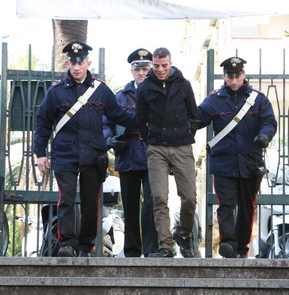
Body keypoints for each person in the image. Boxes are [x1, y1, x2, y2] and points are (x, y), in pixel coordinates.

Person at [33, 41, 136, 258]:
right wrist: (40, 153)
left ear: (88, 62)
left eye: (80, 62)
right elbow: (42, 122)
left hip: (93, 154)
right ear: (68, 63)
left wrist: (144, 120)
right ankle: (66, 245)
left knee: (91, 203)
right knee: (66, 199)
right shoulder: (56, 92)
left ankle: (85, 246)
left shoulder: (101, 90)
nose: (76, 66)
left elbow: (119, 115)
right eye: (72, 62)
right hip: (65, 154)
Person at [197, 56, 277, 258]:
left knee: (247, 207)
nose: (234, 80)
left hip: (251, 162)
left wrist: (265, 135)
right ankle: (229, 245)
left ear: (244, 74)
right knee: (225, 206)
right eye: (230, 76)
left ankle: (242, 248)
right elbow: (197, 119)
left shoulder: (258, 99)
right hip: (224, 162)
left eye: (237, 75)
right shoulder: (214, 99)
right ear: (224, 76)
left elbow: (269, 121)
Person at [136, 47, 199, 258]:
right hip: (157, 147)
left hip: (182, 145)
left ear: (170, 64)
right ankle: (165, 246)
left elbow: (193, 114)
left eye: (164, 65)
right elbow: (140, 118)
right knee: (159, 197)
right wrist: (150, 139)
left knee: (189, 197)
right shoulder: (145, 88)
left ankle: (183, 234)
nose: (160, 69)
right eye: (156, 66)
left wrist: (185, 134)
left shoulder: (184, 84)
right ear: (152, 65)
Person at [103, 48, 158, 257]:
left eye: (145, 68)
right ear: (132, 70)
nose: (142, 72)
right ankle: (133, 251)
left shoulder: (158, 94)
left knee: (152, 204)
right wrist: (110, 139)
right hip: (127, 155)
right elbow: (106, 122)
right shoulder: (120, 97)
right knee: (131, 205)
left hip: (153, 154)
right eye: (138, 68)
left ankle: (152, 249)